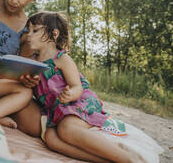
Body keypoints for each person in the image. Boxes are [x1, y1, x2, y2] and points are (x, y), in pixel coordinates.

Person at [25, 11, 152, 163]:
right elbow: (28, 82)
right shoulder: (31, 62)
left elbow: (76, 87)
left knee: (67, 130)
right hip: (55, 111)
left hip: (76, 104)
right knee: (51, 139)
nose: (28, 35)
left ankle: (127, 158)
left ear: (54, 33)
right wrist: (26, 79)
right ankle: (105, 160)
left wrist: (70, 93)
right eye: (28, 30)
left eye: (35, 30)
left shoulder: (62, 59)